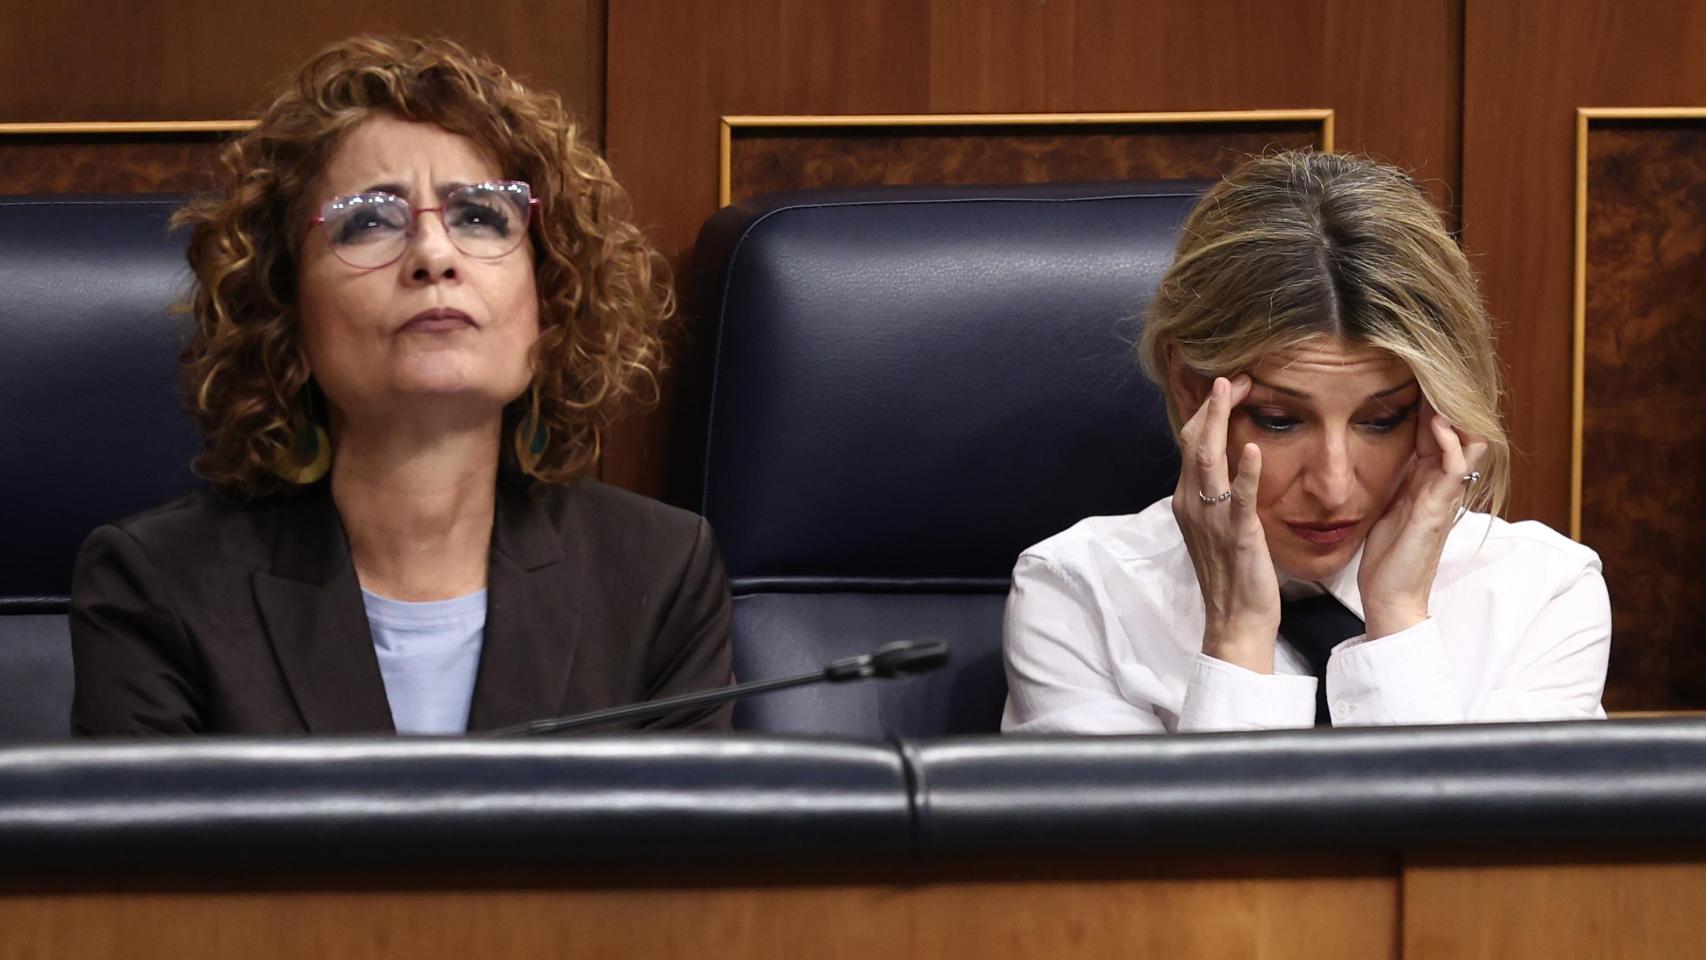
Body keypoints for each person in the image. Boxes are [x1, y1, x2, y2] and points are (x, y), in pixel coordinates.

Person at [70, 36, 733, 735]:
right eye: (369, 222)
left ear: (551, 292)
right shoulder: (160, 586)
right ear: (283, 308)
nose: (433, 255)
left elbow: (685, 847)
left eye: (479, 215)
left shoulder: (656, 575)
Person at [1001, 151, 1610, 734]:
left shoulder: (1544, 592)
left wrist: (1396, 618)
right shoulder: (1077, 594)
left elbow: (1461, 844)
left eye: (1382, 420)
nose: (1333, 485)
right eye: (1279, 419)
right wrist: (1237, 634)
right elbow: (1183, 849)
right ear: (1190, 388)